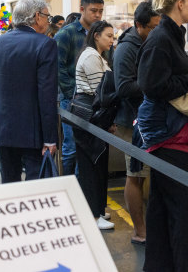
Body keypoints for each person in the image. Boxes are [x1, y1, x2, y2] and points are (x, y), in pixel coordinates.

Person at [137, 0, 188, 272]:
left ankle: (160, 265)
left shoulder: (170, 35)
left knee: (162, 202)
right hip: (165, 131)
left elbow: (165, 75)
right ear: (179, 4)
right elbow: (151, 84)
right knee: (186, 205)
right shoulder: (162, 37)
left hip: (168, 129)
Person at [0, 0, 58, 183]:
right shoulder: (45, 44)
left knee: (9, 183)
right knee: (35, 187)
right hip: (32, 131)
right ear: (36, 16)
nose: (48, 22)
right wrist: (50, 138)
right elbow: (47, 94)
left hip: (3, 127)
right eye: (47, 17)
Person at [113, 0, 160, 245]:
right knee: (135, 175)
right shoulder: (127, 48)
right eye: (152, 27)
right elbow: (123, 87)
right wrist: (156, 84)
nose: (156, 32)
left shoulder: (144, 42)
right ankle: (140, 231)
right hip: (131, 121)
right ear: (139, 25)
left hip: (144, 120)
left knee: (142, 174)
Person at [72, 20, 115, 230]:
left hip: (93, 116)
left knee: (98, 164)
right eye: (108, 36)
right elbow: (101, 91)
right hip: (88, 115)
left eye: (113, 36)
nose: (112, 40)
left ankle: (97, 209)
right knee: (91, 165)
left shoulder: (96, 56)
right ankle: (92, 214)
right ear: (96, 35)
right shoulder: (90, 56)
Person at [55, 0, 103, 176]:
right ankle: (68, 188)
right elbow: (57, 67)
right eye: (93, 11)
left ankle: (84, 190)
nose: (98, 15)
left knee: (89, 148)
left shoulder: (99, 33)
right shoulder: (67, 33)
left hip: (95, 100)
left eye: (100, 11)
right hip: (72, 101)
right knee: (71, 148)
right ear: (82, 9)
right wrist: (71, 93)